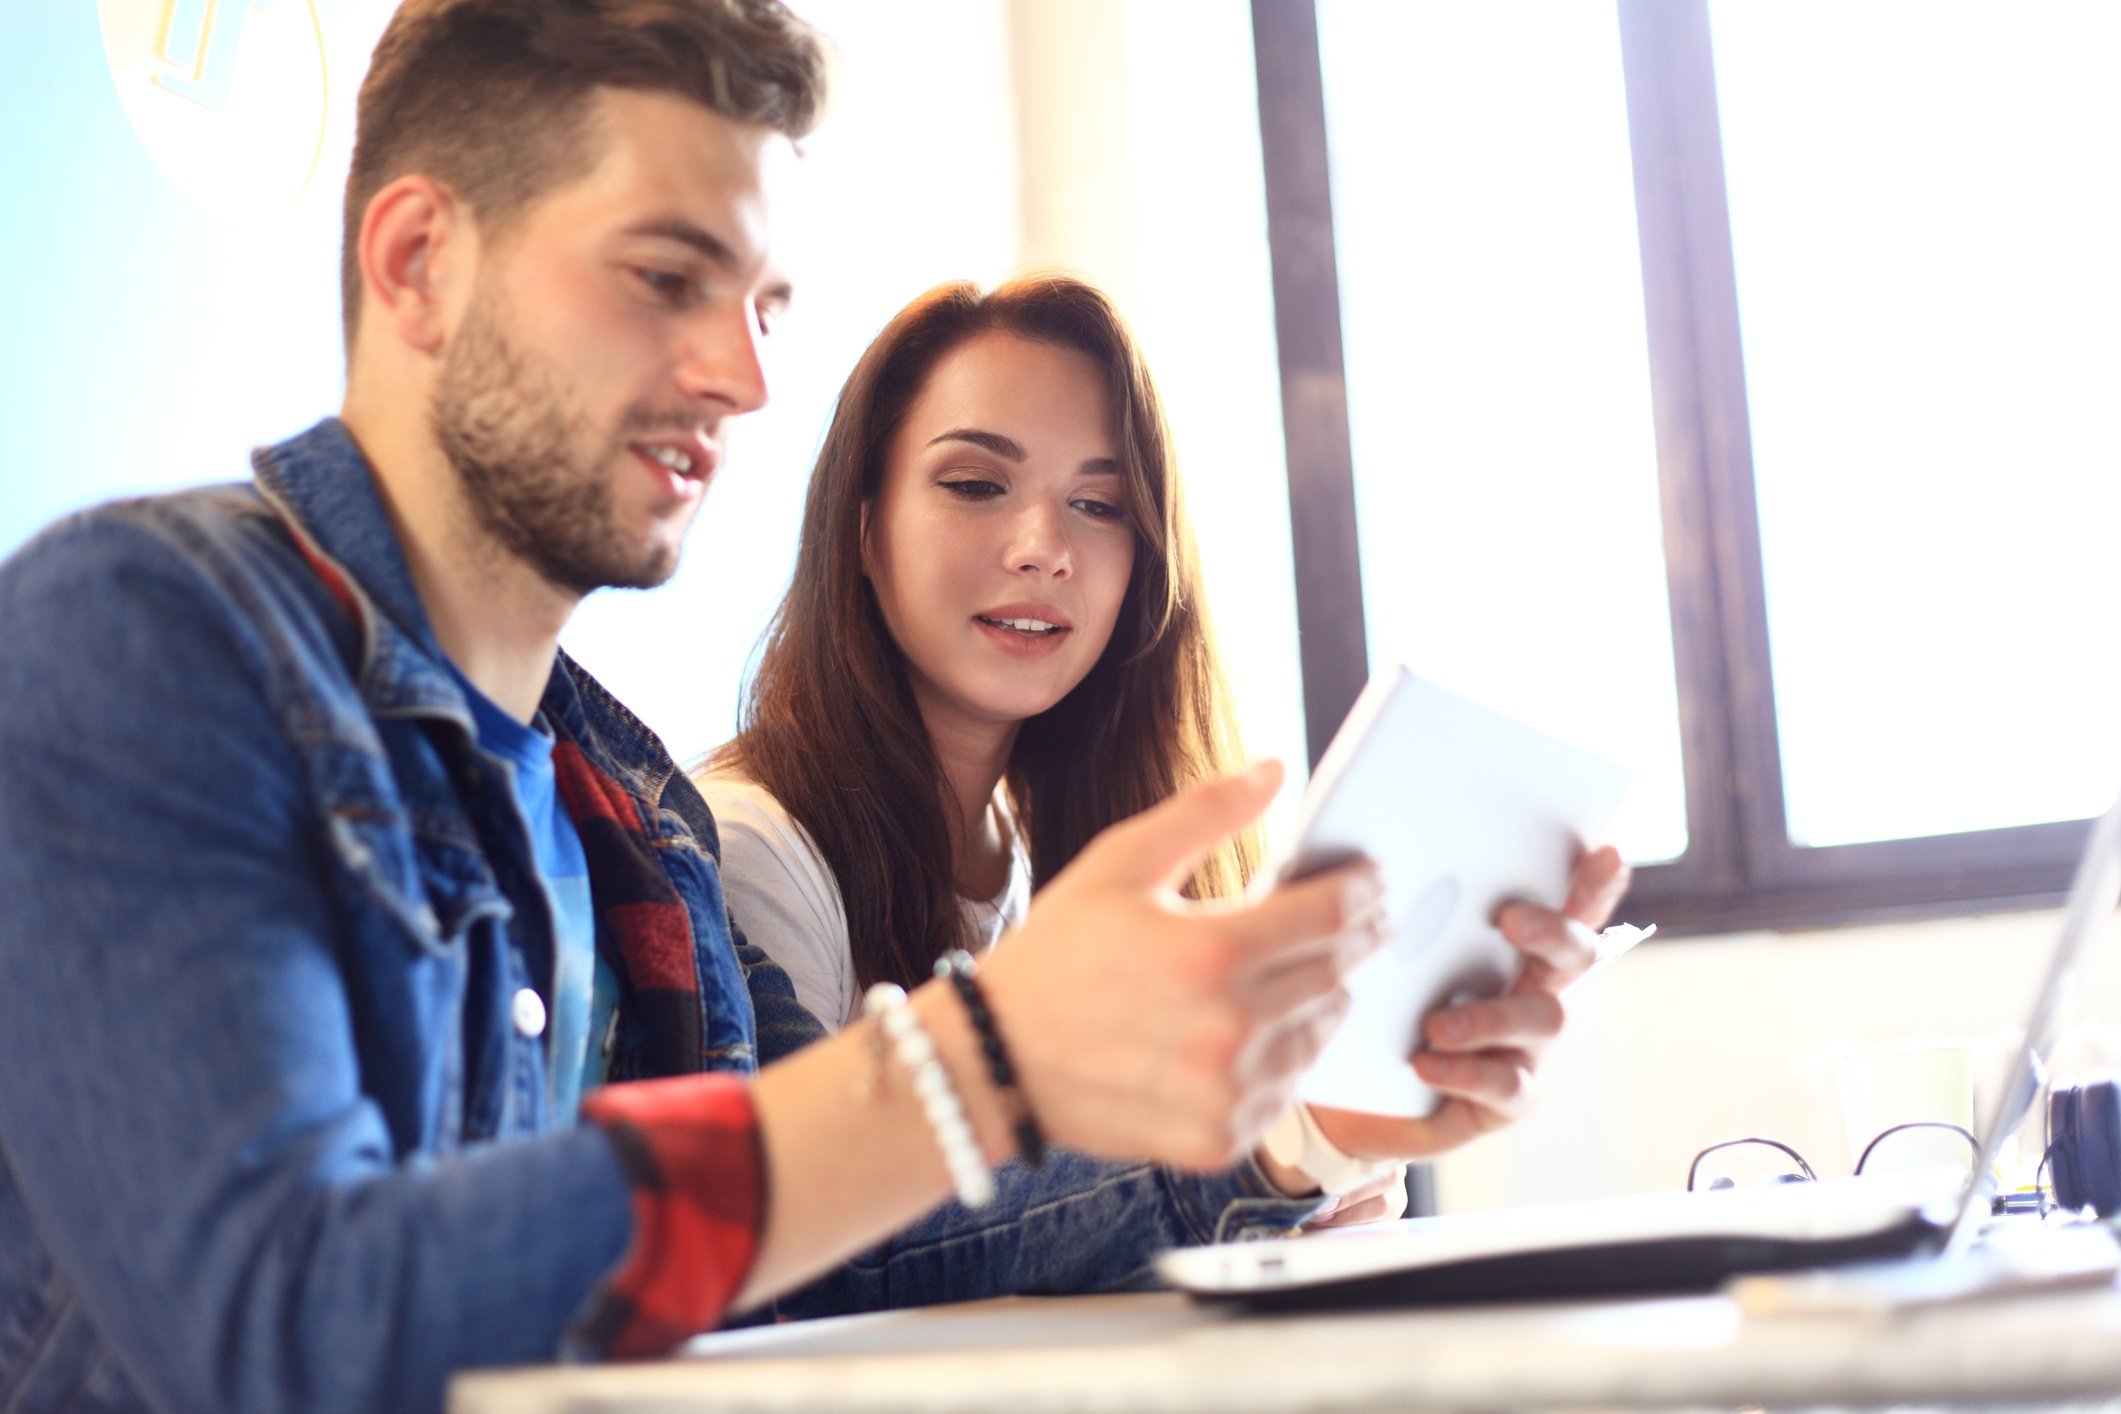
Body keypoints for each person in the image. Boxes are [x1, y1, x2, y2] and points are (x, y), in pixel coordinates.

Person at [0, 5, 1618, 1414]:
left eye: (766, 303)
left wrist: (1297, 1128)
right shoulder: (143, 629)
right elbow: (285, 1325)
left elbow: (826, 1260)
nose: (746, 376)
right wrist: (982, 1061)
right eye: (666, 276)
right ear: (418, 259)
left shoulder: (619, 793)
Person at [698, 274, 1622, 1228]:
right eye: (975, 486)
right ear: (860, 525)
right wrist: (1278, 1155)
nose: (1042, 548)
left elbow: (1047, 1237)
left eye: (1100, 506)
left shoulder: (1047, 852)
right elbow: (811, 1259)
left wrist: (1300, 1186)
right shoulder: (752, 847)